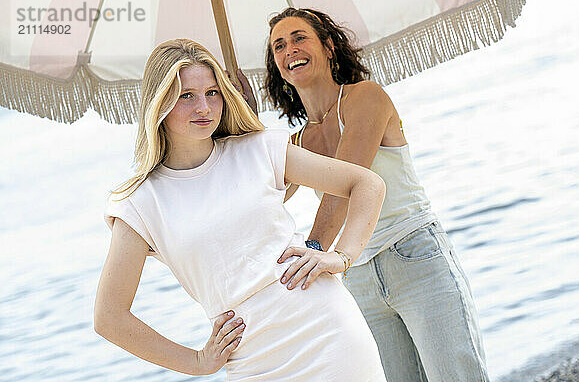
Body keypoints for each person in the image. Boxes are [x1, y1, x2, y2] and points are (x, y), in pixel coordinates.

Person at [93, 38, 388, 381]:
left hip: (328, 333)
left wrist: (341, 256)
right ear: (159, 104)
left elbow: (367, 185)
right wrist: (197, 362)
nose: (203, 107)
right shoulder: (139, 203)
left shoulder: (259, 149)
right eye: (186, 95)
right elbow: (109, 317)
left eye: (212, 92)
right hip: (251, 361)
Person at [261, 8, 490, 382]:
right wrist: (234, 125)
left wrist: (314, 251)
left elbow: (347, 188)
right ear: (277, 66)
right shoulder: (298, 142)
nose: (290, 50)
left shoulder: (365, 97)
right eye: (279, 46)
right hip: (359, 276)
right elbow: (257, 196)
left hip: (414, 255)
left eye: (299, 38)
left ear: (329, 46)